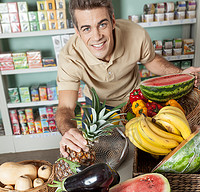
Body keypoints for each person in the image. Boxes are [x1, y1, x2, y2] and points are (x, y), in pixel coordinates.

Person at [56, 0, 200, 157]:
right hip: (97, 109)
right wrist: (68, 131)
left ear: (112, 21)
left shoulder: (135, 34)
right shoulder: (69, 56)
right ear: (77, 31)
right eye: (86, 29)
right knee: (101, 157)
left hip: (135, 103)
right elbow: (65, 107)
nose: (97, 36)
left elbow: (151, 60)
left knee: (145, 152)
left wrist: (181, 75)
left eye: (102, 24)